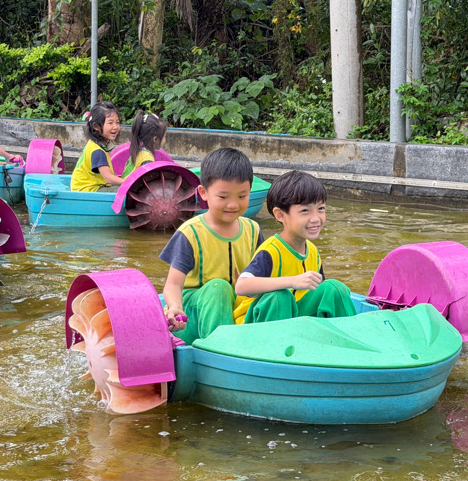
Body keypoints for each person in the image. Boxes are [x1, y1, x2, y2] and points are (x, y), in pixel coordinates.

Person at [159, 148, 264, 344]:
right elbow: (173, 284)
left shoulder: (253, 230)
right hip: (193, 316)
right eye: (223, 197)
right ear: (203, 193)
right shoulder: (190, 233)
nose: (233, 205)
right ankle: (218, 349)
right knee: (219, 287)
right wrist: (175, 307)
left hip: (235, 309)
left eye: (242, 196)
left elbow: (264, 276)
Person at [233, 170, 354, 324]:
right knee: (280, 297)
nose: (316, 218)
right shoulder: (271, 251)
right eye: (305, 211)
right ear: (280, 215)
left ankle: (349, 333)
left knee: (334, 288)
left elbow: (318, 289)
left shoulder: (312, 251)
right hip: (256, 323)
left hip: (293, 316)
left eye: (321, 209)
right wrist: (292, 281)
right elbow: (242, 286)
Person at [71, 102, 123, 192]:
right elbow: (108, 178)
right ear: (96, 126)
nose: (115, 127)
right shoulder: (98, 151)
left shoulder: (94, 144)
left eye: (117, 122)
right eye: (110, 123)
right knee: (123, 191)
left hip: (84, 187)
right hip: (88, 190)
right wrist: (127, 182)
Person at [122, 111, 167, 179]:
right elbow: (147, 181)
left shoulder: (139, 150)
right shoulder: (147, 159)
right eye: (164, 136)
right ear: (155, 139)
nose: (165, 140)